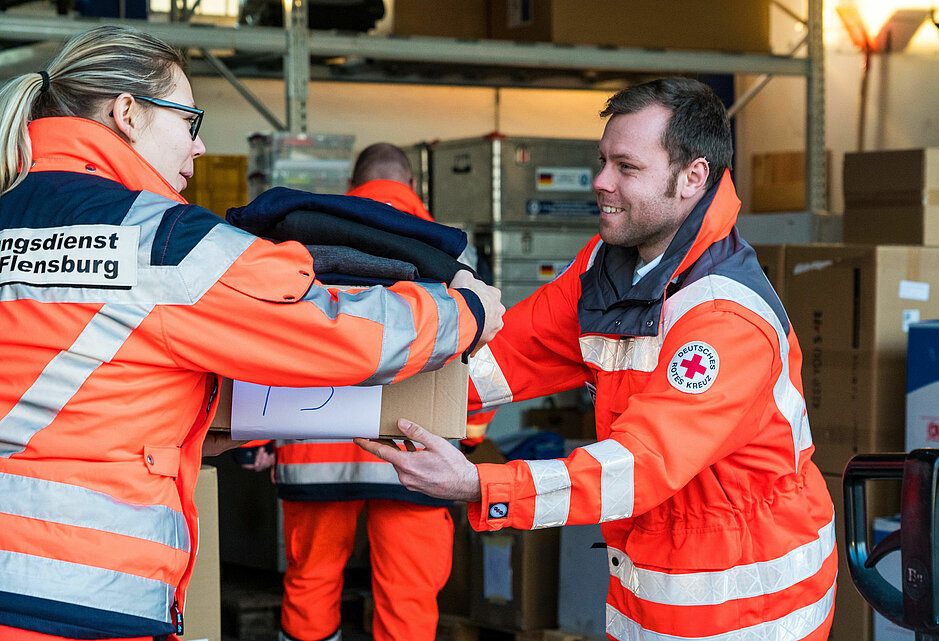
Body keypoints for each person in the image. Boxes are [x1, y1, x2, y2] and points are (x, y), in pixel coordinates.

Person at [0, 26, 503, 641]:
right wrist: (465, 312)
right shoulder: (166, 244)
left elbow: (75, 390)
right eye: (189, 121)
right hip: (82, 596)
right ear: (127, 114)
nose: (201, 146)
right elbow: (336, 332)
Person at [357, 78, 837, 641]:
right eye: (601, 160)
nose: (601, 182)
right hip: (647, 587)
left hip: (750, 608)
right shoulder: (606, 267)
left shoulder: (726, 320)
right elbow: (506, 359)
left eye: (626, 168)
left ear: (693, 178)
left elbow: (638, 465)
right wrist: (347, 400)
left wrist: (478, 485)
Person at [264, 142, 469, 641]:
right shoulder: (448, 250)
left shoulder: (309, 239)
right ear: (412, 187)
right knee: (408, 597)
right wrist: (465, 438)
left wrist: (257, 437)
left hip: (312, 447)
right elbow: (474, 354)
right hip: (417, 451)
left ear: (353, 185)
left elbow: (272, 340)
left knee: (310, 581)